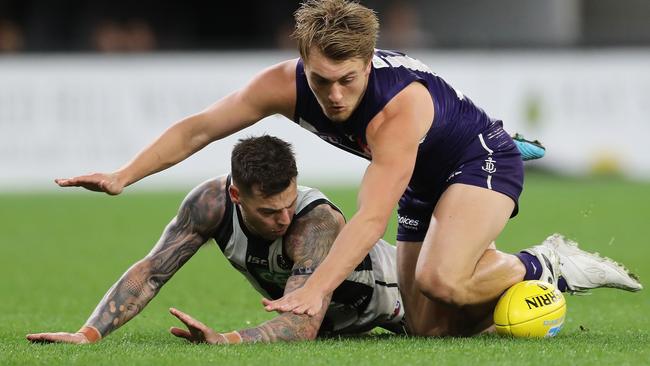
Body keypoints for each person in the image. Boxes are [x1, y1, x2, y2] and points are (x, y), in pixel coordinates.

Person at [53, 0, 642, 336]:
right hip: (421, 173)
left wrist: (317, 289)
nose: (333, 97)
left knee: (441, 281)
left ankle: (546, 264)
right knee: (426, 327)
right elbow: (199, 128)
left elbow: (368, 218)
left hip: (477, 157)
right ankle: (504, 287)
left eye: (348, 80)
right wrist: (125, 174)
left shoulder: (397, 109)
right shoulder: (282, 84)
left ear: (367, 62)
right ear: (302, 63)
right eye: (320, 81)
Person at [27, 136, 406, 344]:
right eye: (269, 212)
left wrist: (226, 340)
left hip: (404, 296)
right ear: (237, 196)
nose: (284, 219)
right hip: (343, 323)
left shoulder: (316, 224)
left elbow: (301, 327)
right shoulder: (209, 205)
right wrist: (88, 333)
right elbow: (153, 271)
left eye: (289, 205)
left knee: (456, 325)